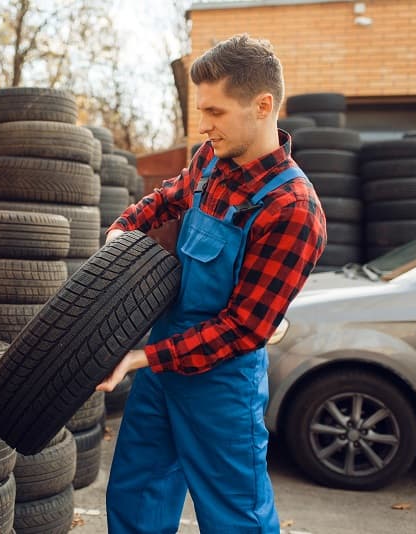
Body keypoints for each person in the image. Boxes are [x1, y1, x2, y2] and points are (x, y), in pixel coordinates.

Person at [97, 34, 327, 533]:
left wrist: (138, 358)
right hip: (164, 363)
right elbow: (170, 196)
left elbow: (243, 329)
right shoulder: (211, 160)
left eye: (216, 112)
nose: (204, 125)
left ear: (263, 106)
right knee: (136, 495)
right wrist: (123, 227)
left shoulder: (293, 211)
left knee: (233, 518)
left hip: (221, 386)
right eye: (202, 111)